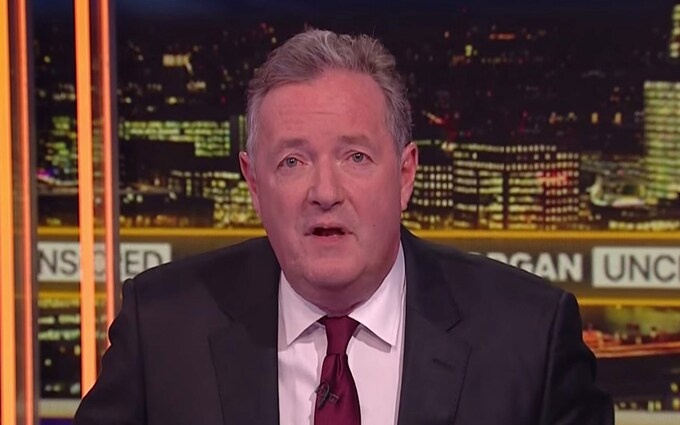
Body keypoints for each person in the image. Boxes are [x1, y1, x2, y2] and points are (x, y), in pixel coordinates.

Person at [74, 29, 613, 425]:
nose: (325, 192)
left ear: (405, 175)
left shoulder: (528, 339)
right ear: (254, 184)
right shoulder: (162, 329)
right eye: (292, 162)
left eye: (356, 157)